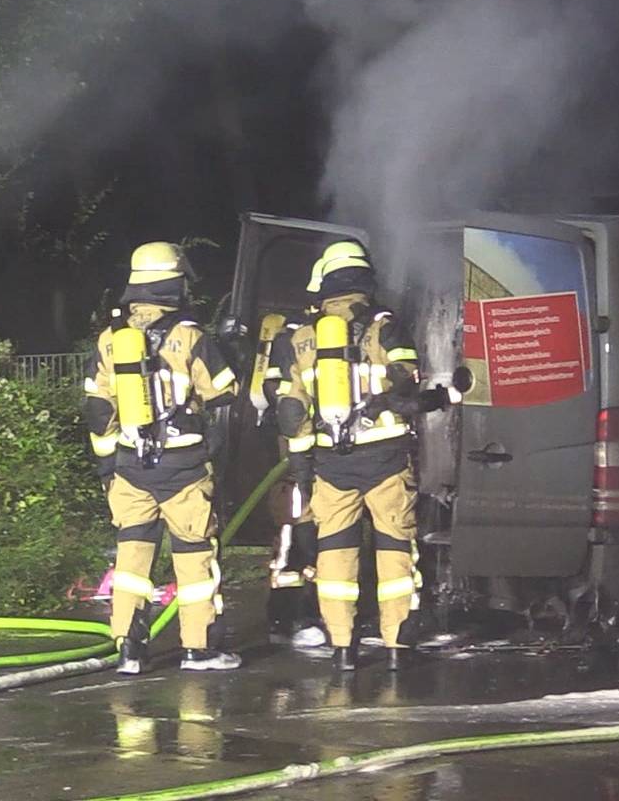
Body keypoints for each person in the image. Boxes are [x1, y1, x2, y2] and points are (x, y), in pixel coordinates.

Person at [83, 242, 242, 674]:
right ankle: (199, 649)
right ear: (175, 284)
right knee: (193, 556)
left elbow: (98, 412)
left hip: (129, 468)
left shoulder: (110, 341)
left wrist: (106, 467)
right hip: (183, 468)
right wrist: (228, 350)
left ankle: (129, 650)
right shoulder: (189, 336)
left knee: (132, 558)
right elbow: (224, 390)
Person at [274, 240, 432, 671]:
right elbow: (407, 378)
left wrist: (304, 471)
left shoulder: (302, 339)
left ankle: (343, 648)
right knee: (394, 549)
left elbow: (292, 414)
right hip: (385, 460)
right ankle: (397, 645)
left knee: (336, 554)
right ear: (366, 282)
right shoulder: (386, 327)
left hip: (331, 466)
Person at [259, 315, 328, 648]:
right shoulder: (291, 340)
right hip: (300, 457)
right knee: (298, 535)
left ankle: (303, 615)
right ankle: (292, 617)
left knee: (318, 536)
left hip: (321, 458)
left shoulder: (298, 340)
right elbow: (272, 392)